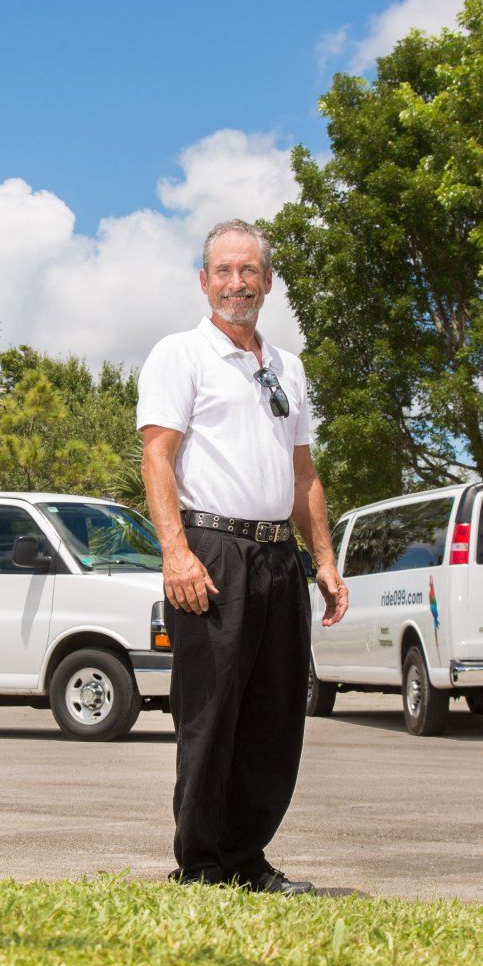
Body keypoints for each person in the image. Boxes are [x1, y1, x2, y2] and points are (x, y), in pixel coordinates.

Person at [136, 219, 348, 894]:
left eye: (248, 271)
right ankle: (199, 864)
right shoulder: (181, 355)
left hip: (276, 558)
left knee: (274, 716)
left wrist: (324, 559)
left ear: (268, 281)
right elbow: (156, 457)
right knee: (210, 712)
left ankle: (246, 858)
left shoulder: (287, 366)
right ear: (205, 282)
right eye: (223, 271)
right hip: (212, 552)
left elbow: (304, 473)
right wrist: (177, 553)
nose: (237, 283)